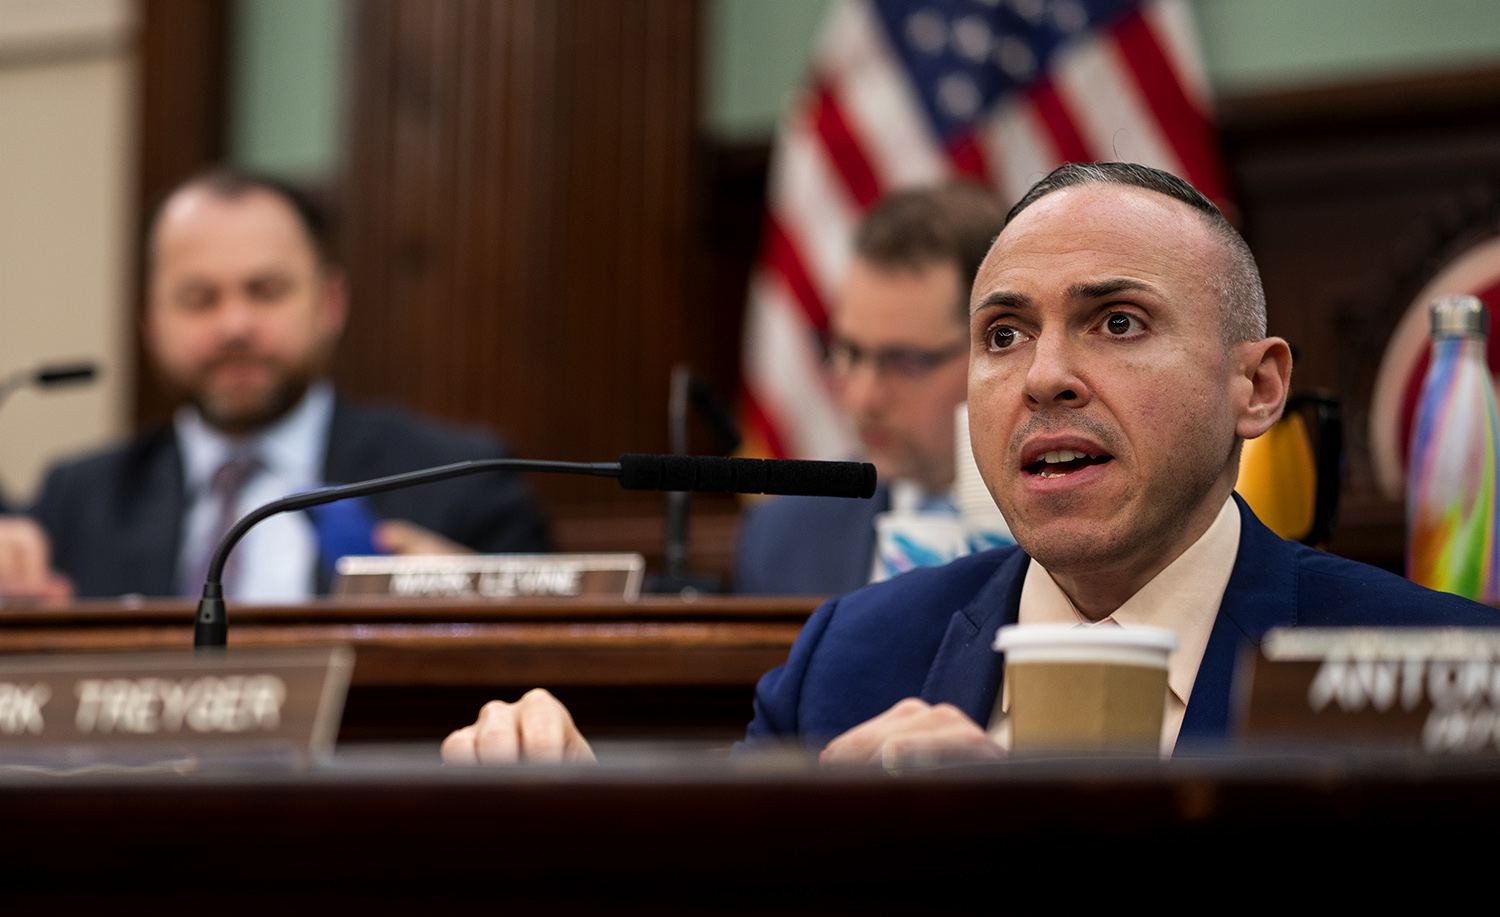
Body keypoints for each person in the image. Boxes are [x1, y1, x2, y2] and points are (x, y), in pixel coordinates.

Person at [442, 162, 1500, 766]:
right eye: (1002, 334)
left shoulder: (1442, 669)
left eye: (1117, 322)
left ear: (1257, 387)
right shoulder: (849, 661)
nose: (1044, 377)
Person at [0, 168, 549, 600]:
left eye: (266, 291)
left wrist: (477, 603)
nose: (235, 326)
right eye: (198, 299)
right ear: (149, 323)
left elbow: (550, 664)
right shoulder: (77, 501)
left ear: (330, 303)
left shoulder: (462, 480)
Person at [734, 183, 1008, 595]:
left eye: (906, 362)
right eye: (849, 352)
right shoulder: (782, 537)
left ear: (996, 348)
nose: (863, 398)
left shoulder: (1071, 527)